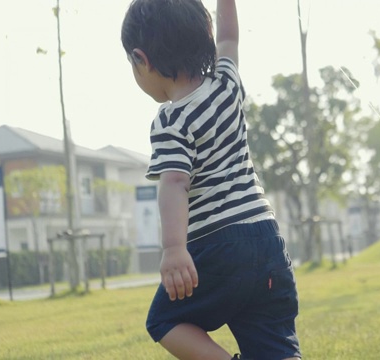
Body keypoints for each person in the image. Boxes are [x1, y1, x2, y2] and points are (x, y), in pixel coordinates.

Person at [121, 0, 302, 359]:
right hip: (266, 240)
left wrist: (174, 248)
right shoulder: (227, 85)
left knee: (164, 321)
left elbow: (174, 182)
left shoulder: (171, 120)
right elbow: (230, 37)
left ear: (142, 60)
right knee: (273, 347)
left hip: (218, 248)